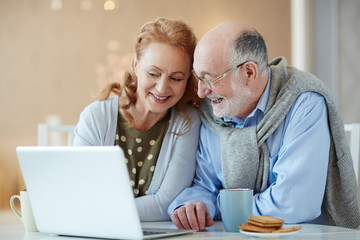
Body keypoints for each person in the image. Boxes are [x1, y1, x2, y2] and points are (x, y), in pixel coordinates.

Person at [168, 20, 360, 230]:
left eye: (210, 78)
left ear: (249, 72)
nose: (201, 92)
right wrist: (194, 207)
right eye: (199, 78)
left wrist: (220, 207)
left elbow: (292, 204)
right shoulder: (213, 111)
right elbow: (204, 185)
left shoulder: (304, 103)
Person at [73, 17, 201, 221]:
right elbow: (79, 193)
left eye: (176, 78)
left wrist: (99, 212)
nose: (162, 88)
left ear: (188, 79)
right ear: (136, 65)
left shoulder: (187, 121)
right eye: (153, 73)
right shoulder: (96, 117)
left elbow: (165, 203)